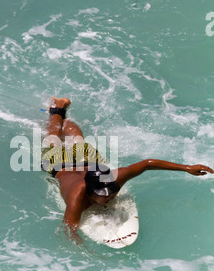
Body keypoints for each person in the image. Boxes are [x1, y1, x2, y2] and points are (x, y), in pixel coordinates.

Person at [42, 97, 214, 242]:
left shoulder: (115, 178)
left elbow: (148, 163)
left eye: (111, 191)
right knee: (53, 140)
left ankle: (64, 120)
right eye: (103, 194)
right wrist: (84, 249)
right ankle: (58, 110)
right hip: (60, 164)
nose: (109, 196)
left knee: (79, 141)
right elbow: (69, 228)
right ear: (90, 192)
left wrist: (187, 168)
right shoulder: (77, 196)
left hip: (89, 161)